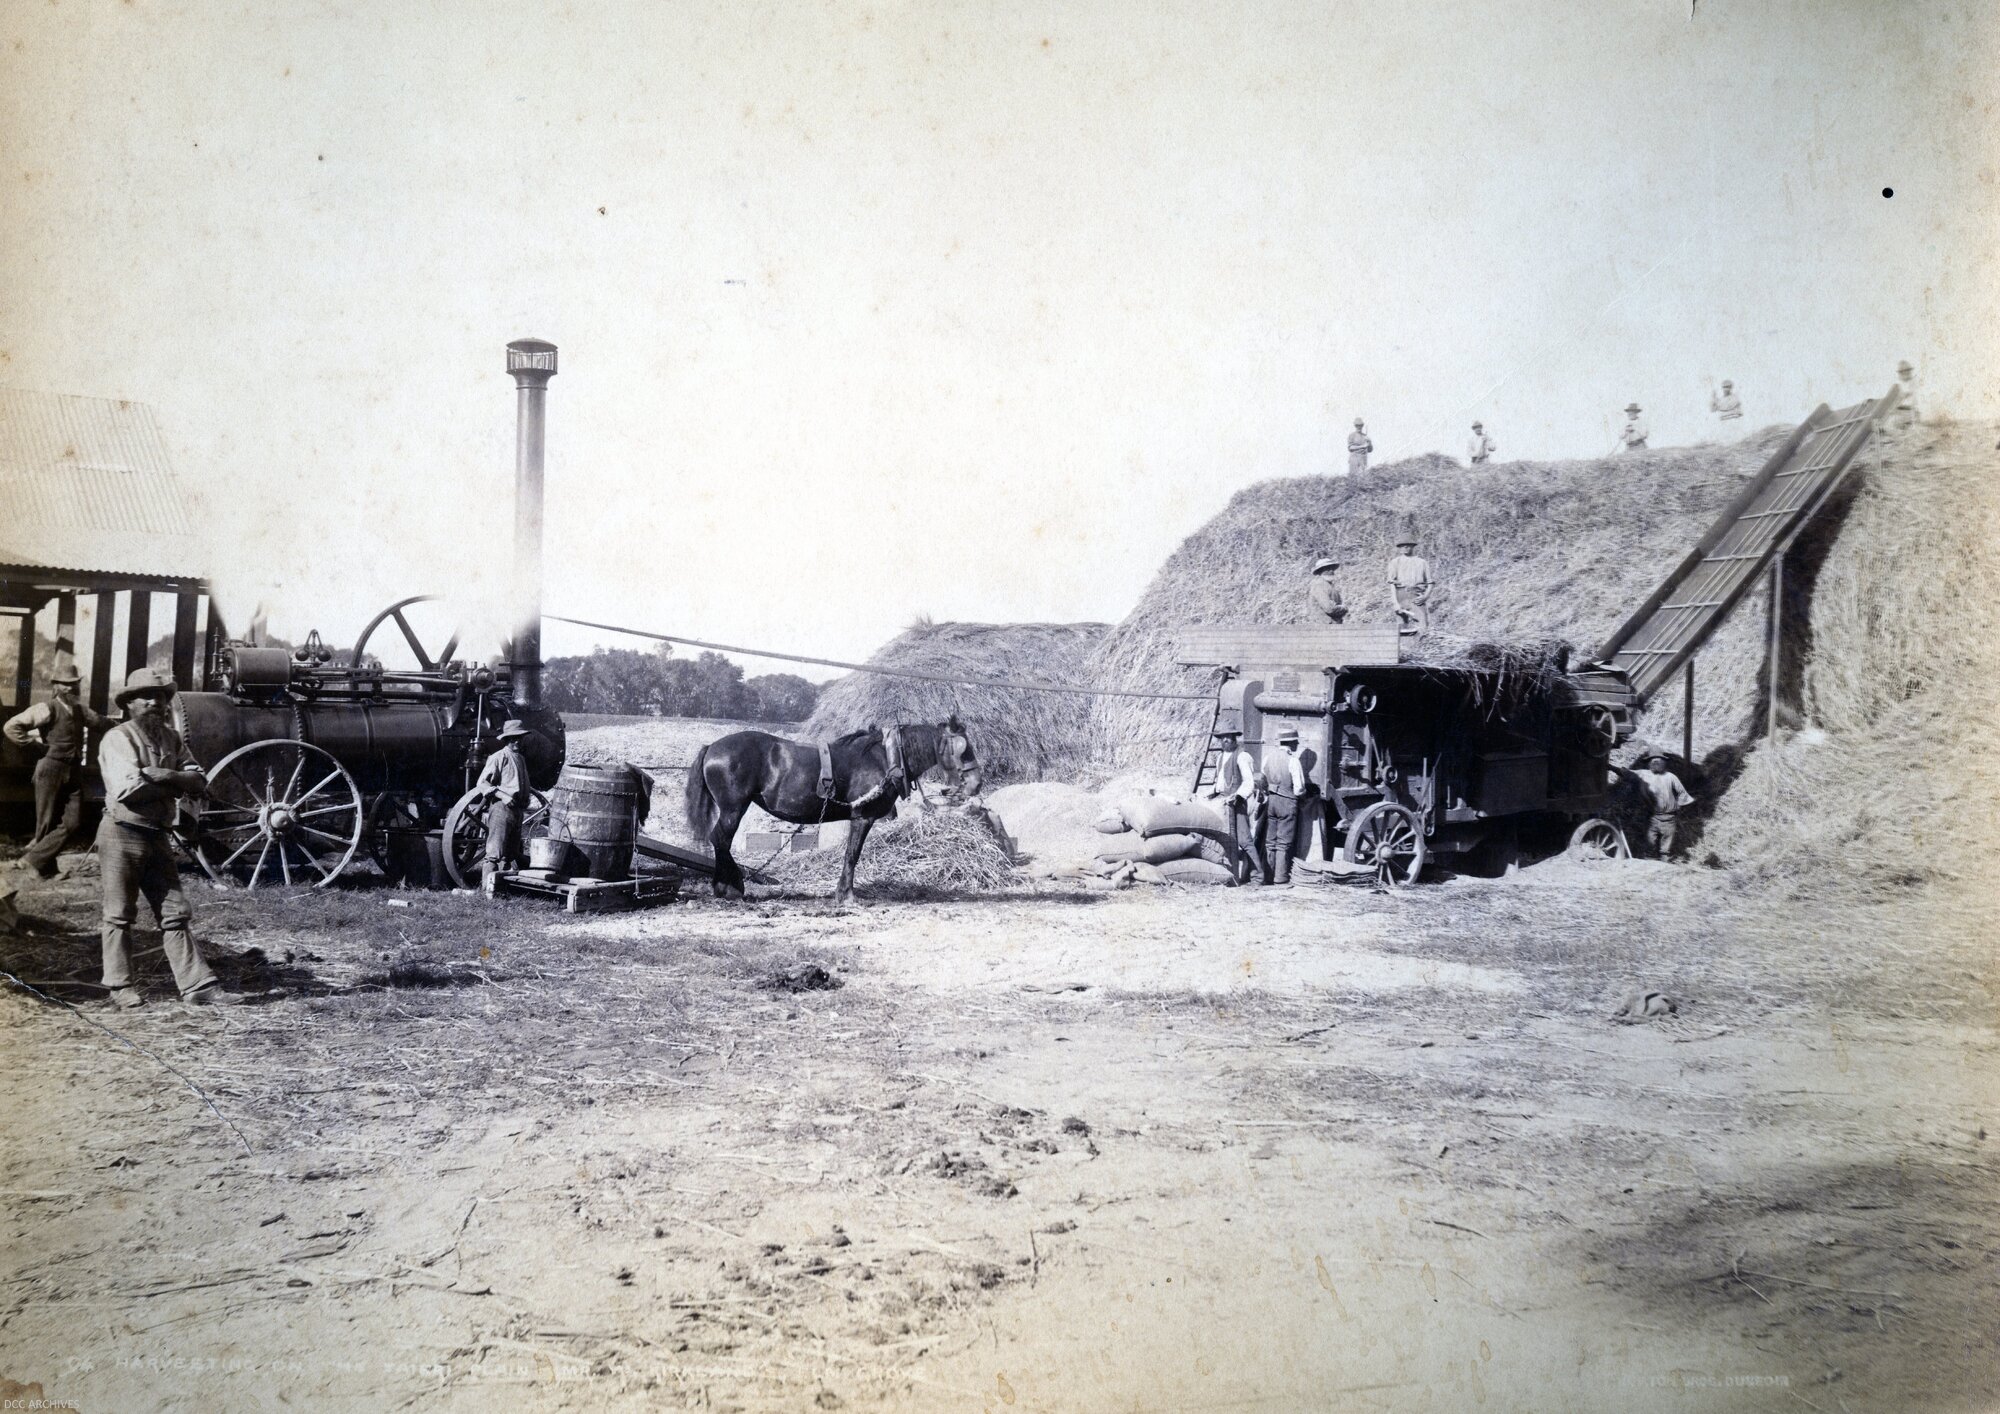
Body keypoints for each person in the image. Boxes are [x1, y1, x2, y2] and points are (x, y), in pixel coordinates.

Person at [95, 667, 224, 1008]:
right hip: (123, 833)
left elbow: (199, 780)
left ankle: (198, 986)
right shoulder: (118, 738)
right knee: (119, 914)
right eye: (146, 697)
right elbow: (129, 789)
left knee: (175, 912)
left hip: (157, 835)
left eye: (162, 697)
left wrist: (166, 774)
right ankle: (120, 987)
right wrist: (178, 781)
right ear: (129, 704)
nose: (156, 702)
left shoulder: (172, 739)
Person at [4, 663, 115, 878]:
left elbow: (102, 723)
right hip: (50, 768)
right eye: (66, 685)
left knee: (73, 821)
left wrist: (126, 726)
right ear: (56, 686)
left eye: (75, 684)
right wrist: (34, 746)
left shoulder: (81, 710)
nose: (71, 688)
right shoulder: (46, 708)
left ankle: (32, 860)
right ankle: (46, 870)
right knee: (46, 821)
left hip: (73, 770)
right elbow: (11, 726)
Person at [471, 719, 535, 881]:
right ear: (506, 739)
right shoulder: (498, 757)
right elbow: (482, 783)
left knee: (510, 853)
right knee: (494, 851)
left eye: (519, 738)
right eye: (513, 738)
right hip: (501, 809)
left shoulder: (520, 759)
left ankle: (502, 885)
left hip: (517, 810)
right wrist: (503, 796)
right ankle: (487, 887)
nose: (517, 742)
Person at [1203, 727, 1263, 885]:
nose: (1225, 740)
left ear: (1234, 738)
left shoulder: (1243, 756)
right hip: (1222, 803)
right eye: (1222, 738)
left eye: (1228, 737)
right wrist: (1206, 794)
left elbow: (1249, 782)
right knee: (1226, 840)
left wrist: (1237, 796)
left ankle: (1258, 876)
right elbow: (1218, 784)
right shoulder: (1220, 758)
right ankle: (1232, 876)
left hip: (1237, 803)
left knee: (1245, 840)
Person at [1260, 726, 1307, 885]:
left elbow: (1262, 778)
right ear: (1292, 743)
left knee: (1270, 840)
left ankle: (1268, 876)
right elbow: (1299, 788)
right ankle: (1280, 878)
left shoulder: (1268, 758)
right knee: (1283, 842)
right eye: (1296, 742)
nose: (1297, 745)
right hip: (1287, 802)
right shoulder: (1293, 760)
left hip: (1272, 801)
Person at [1634, 753, 1694, 859]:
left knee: (1665, 848)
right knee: (1649, 843)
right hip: (1653, 817)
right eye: (1653, 760)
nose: (1656, 762)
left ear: (1664, 762)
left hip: (1669, 818)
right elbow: (1627, 773)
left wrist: (1678, 805)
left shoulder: (1670, 777)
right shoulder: (1644, 774)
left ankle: (1664, 864)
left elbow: (1682, 793)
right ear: (1649, 763)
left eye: (1659, 760)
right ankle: (1648, 864)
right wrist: (1611, 767)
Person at [1388, 536, 1433, 635]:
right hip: (1401, 595)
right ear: (1399, 548)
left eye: (1408, 546)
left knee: (1423, 627)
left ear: (1413, 547)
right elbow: (1392, 585)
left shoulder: (1422, 562)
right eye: (1403, 546)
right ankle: (1404, 650)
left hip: (1416, 596)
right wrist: (1395, 603)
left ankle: (1420, 647)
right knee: (1401, 628)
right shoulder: (1395, 562)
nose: (1405, 548)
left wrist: (1425, 597)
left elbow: (1430, 583)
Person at [1307, 557, 1347, 623]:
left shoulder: (1328, 585)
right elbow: (1329, 608)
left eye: (1331, 568)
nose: (1331, 571)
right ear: (1320, 571)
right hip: (1323, 626)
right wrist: (1344, 608)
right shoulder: (1319, 585)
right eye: (1327, 569)